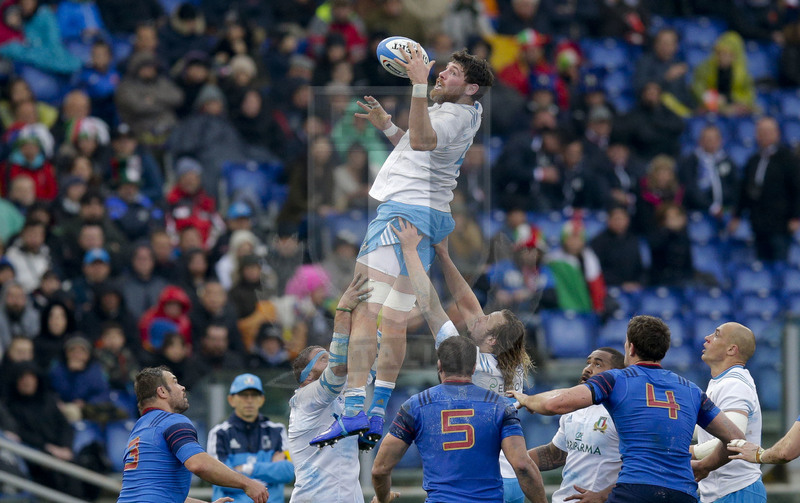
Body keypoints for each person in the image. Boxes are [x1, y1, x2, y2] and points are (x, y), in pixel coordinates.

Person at [314, 45, 494, 449]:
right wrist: (389, 127)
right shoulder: (463, 112)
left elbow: (426, 142)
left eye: (450, 73)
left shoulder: (453, 113)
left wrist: (416, 84)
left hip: (402, 213)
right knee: (394, 321)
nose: (439, 75)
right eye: (442, 70)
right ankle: (378, 412)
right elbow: (419, 149)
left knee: (363, 306)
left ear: (472, 88)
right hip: (427, 216)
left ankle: (354, 407)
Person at [509, 315, 746, 503]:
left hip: (636, 489)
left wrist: (529, 400)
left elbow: (554, 404)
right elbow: (737, 439)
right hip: (682, 492)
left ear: (630, 348)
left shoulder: (617, 379)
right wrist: (706, 466)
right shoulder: (692, 390)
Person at [391, 218, 534, 502]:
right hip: (512, 479)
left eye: (487, 318)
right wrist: (443, 255)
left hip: (478, 483)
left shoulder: (463, 359)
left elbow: (430, 304)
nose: (479, 315)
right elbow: (467, 303)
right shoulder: (512, 367)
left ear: (491, 340)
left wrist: (409, 250)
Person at [371, 335, 546, 503]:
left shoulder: (415, 406)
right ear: (473, 367)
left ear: (439, 365)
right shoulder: (499, 406)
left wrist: (382, 497)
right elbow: (522, 465)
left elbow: (380, 469)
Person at [117, 366, 268, 503]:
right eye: (175, 382)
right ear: (162, 391)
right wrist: (247, 483)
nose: (182, 387)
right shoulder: (173, 421)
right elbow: (199, 464)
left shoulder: (139, 429)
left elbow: (157, 492)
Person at [286, 274, 371, 503]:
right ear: (307, 377)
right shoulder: (302, 399)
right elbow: (338, 371)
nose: (331, 358)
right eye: (324, 358)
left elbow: (370, 357)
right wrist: (342, 310)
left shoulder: (345, 394)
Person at [528, 347, 625, 503]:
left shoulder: (622, 414)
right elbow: (555, 454)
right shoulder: (574, 409)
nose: (588, 369)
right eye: (588, 363)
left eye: (598, 365)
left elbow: (640, 469)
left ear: (615, 375)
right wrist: (513, 459)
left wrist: (603, 495)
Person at [691, 323, 766, 502]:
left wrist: (688, 451)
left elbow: (734, 440)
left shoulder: (734, 384)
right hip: (719, 492)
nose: (707, 338)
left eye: (716, 335)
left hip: (737, 492)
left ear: (732, 349)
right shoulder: (722, 381)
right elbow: (709, 430)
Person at [208, 374, 294, 503]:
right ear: (231, 400)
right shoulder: (219, 433)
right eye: (243, 395)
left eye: (254, 395)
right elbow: (220, 479)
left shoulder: (277, 430)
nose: (249, 400)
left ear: (262, 399)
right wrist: (268, 475)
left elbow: (288, 473)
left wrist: (247, 469)